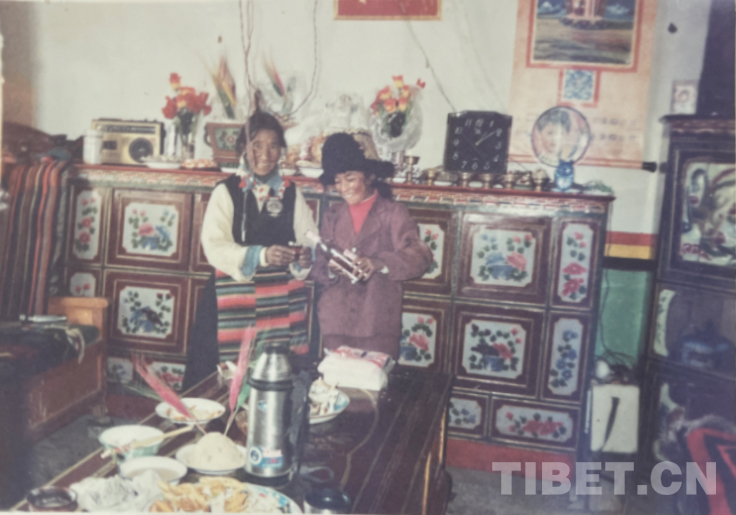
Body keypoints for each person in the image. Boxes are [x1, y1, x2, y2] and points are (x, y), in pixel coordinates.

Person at [182, 110, 318, 390]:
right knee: (219, 385)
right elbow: (214, 245)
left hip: (280, 304)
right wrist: (260, 255)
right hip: (230, 301)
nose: (265, 154)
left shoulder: (291, 192)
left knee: (281, 380)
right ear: (244, 147)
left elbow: (309, 238)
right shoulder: (226, 191)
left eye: (273, 146)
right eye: (257, 145)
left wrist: (304, 256)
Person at [309, 132, 432, 358]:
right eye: (338, 181)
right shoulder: (332, 215)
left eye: (350, 179)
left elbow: (420, 256)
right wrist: (331, 269)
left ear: (369, 177)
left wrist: (379, 263)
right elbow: (318, 268)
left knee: (374, 379)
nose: (343, 187)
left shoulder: (393, 213)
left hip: (376, 323)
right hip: (335, 323)